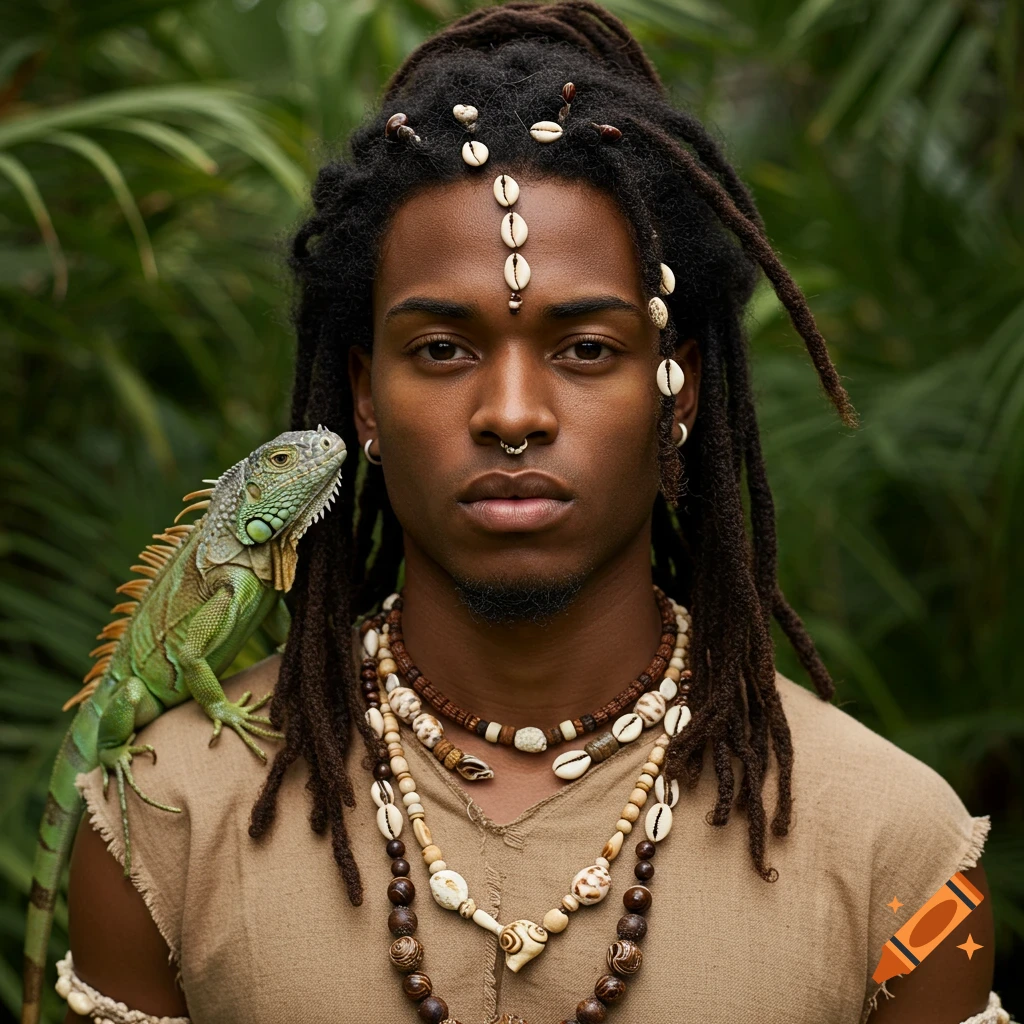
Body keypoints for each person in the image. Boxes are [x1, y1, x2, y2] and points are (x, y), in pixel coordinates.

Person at [56, 4, 1005, 1024]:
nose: (511, 413)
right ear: (365, 398)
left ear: (679, 390)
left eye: (587, 348)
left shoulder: (899, 849)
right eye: (441, 349)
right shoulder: (161, 818)